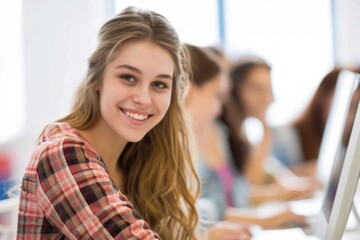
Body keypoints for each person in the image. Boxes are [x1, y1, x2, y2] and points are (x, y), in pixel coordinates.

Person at [16, 7, 201, 239]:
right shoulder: (61, 154)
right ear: (97, 79)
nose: (143, 99)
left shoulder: (138, 157)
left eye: (159, 84)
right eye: (128, 78)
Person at [185, 44, 307, 230]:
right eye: (217, 93)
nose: (267, 97)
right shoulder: (188, 143)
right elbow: (199, 212)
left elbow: (240, 190)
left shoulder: (219, 132)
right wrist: (265, 217)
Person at [271, 67, 360, 177]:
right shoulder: (283, 136)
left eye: (355, 109)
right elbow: (263, 181)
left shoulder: (345, 145)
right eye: (348, 105)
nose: (351, 117)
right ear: (322, 97)